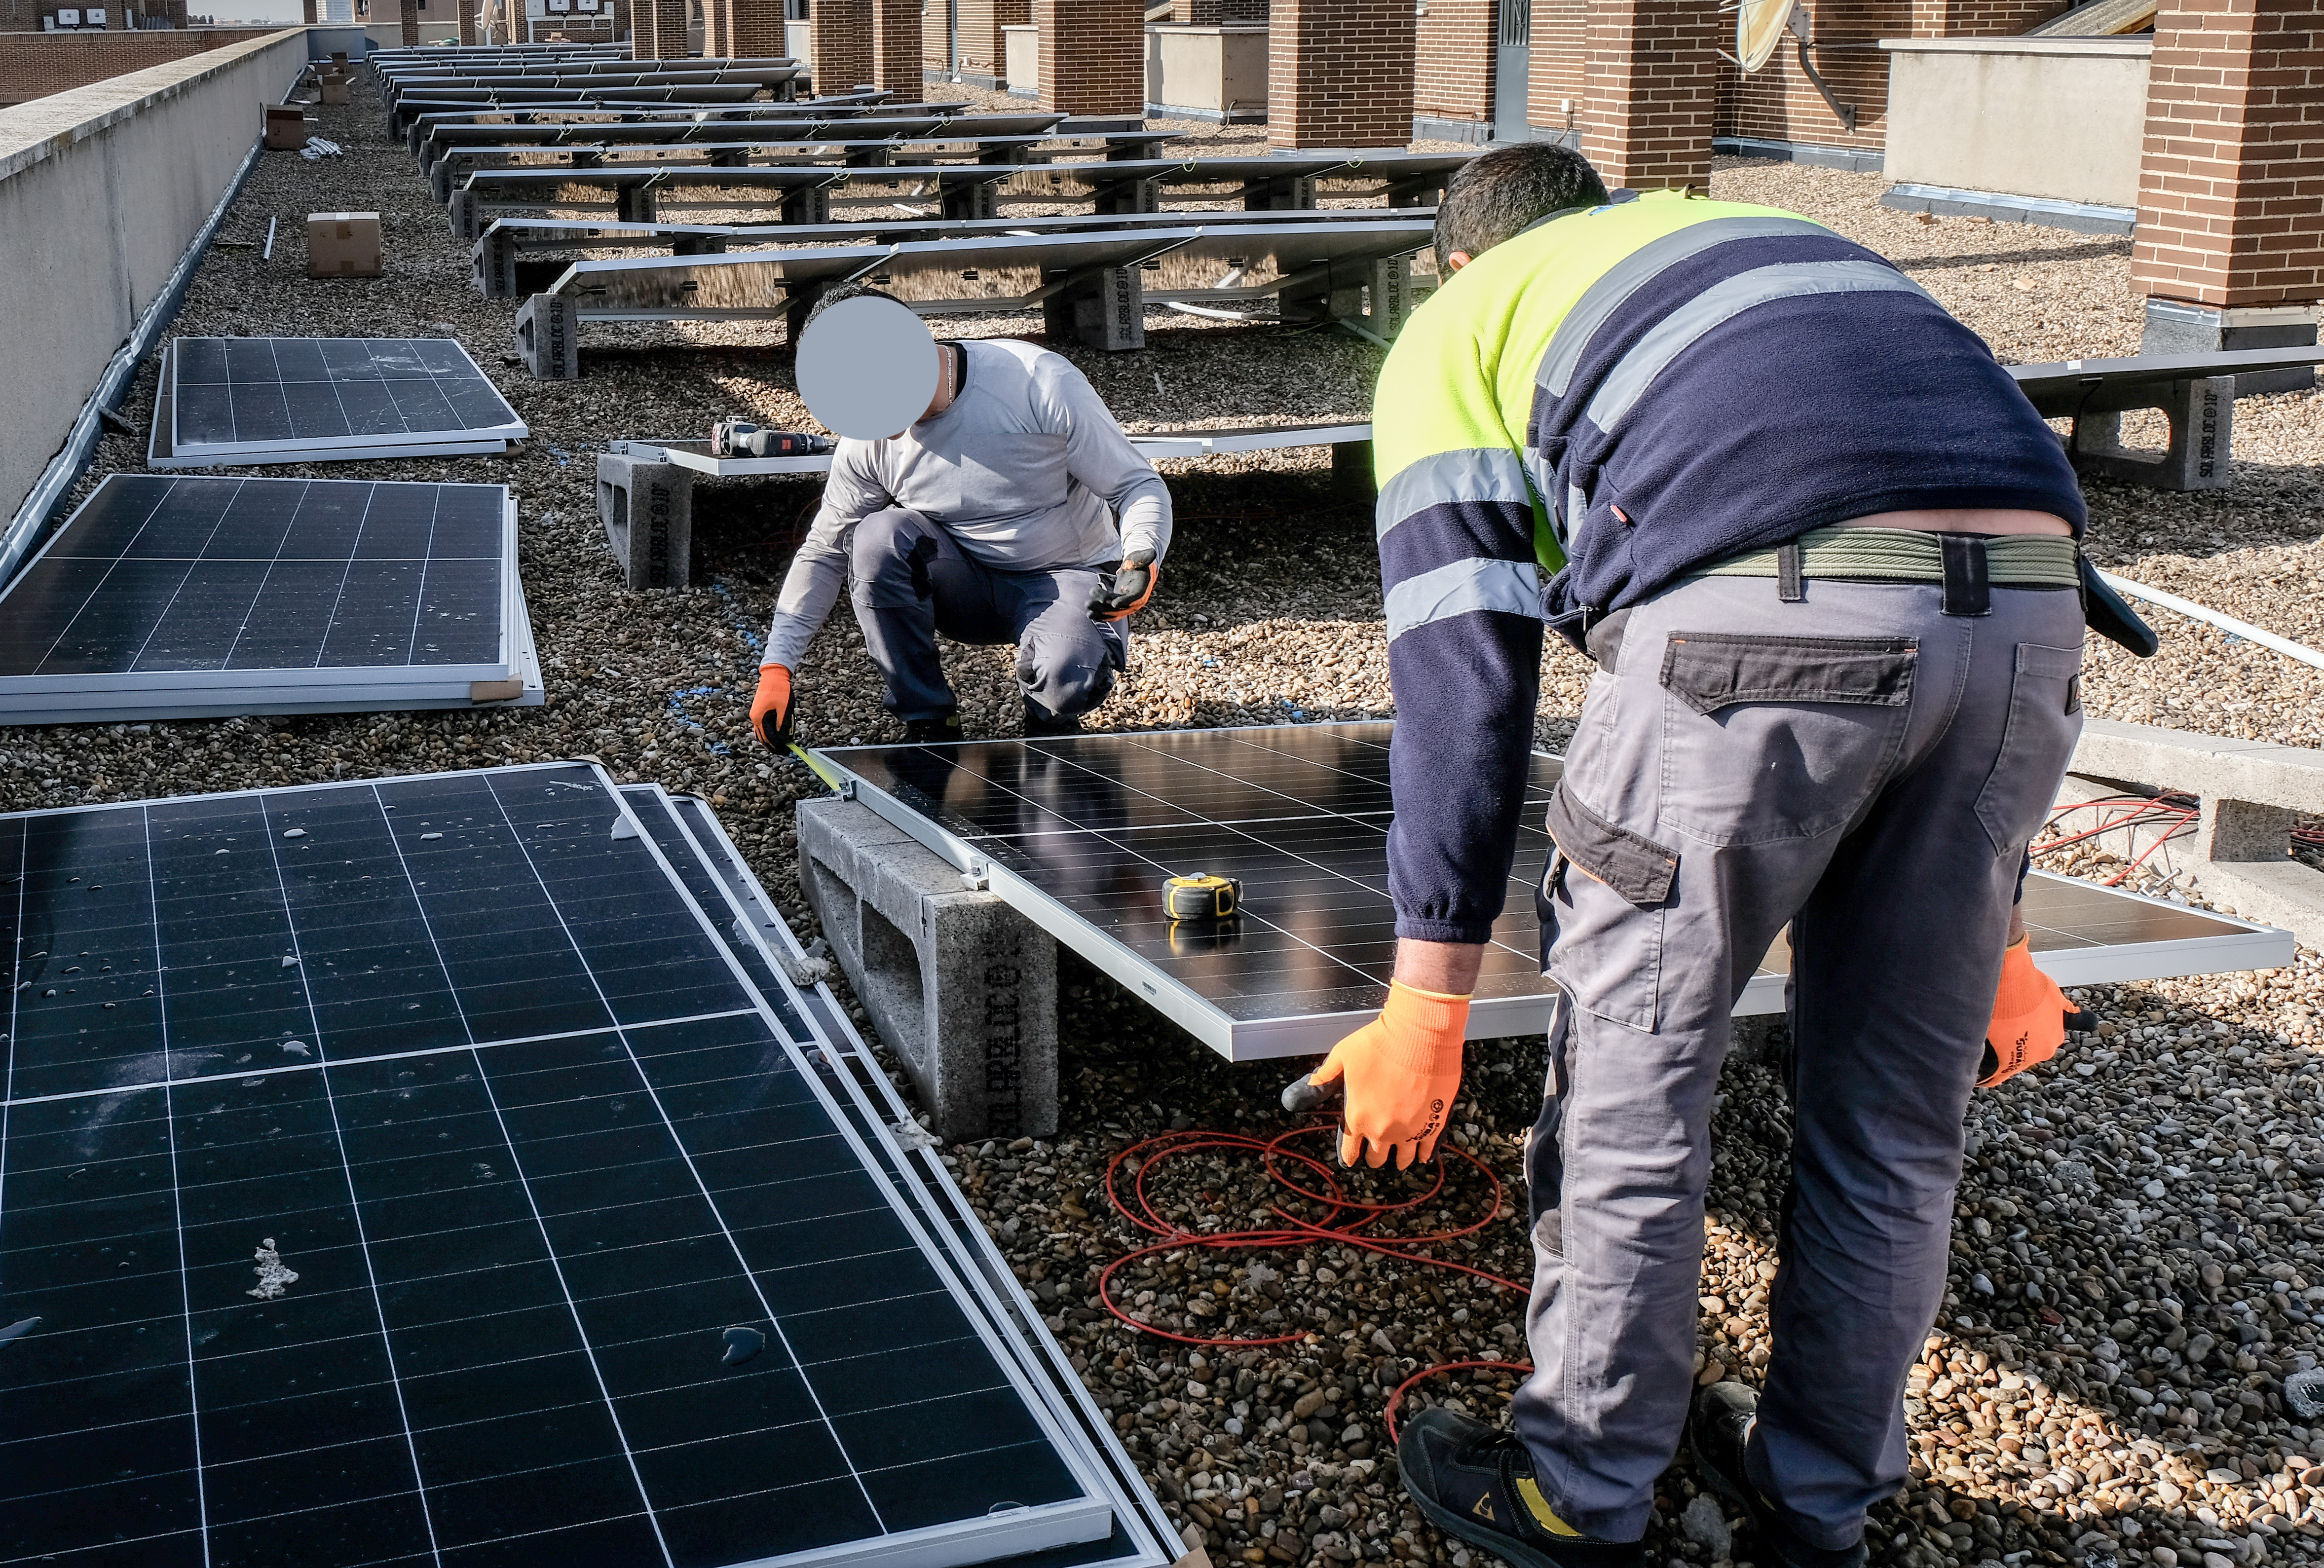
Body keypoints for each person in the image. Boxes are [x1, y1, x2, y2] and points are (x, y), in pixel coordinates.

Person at [1292, 145, 2095, 1568]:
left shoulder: (1457, 327)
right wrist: (2003, 941)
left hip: (1751, 633)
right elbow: (1933, 565)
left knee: (1636, 1093)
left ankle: (1578, 1498)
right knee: (1899, 1121)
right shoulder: (1761, 238)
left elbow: (1463, 672)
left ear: (1457, 265)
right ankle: (1816, 1508)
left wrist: (1428, 1001)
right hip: (2033, 613)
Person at [749, 303, 1172, 746]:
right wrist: (777, 668)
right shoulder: (867, 442)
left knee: (1069, 677)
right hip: (964, 583)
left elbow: (1136, 485)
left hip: (1067, 574)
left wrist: (1141, 557)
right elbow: (824, 551)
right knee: (876, 539)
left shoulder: (1036, 382)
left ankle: (1050, 717)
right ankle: (928, 719)